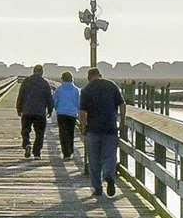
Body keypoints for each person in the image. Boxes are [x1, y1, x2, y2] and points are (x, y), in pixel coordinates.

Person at [81, 65, 126, 195]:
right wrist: (122, 122)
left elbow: (82, 112)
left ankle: (98, 188)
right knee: (110, 155)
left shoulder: (86, 89)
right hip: (110, 128)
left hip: (93, 130)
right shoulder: (112, 86)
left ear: (89, 78)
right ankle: (109, 176)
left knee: (94, 159)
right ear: (100, 75)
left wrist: (83, 128)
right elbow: (122, 105)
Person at [15, 65, 53, 156]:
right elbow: (49, 98)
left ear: (33, 71)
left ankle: (27, 144)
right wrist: (50, 110)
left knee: (25, 130)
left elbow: (20, 95)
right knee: (39, 133)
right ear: (42, 72)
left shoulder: (26, 81)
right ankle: (36, 153)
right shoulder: (45, 83)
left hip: (27, 111)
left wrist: (18, 108)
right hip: (40, 112)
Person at [51, 71, 82, 161]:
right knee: (70, 133)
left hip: (61, 114)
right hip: (72, 114)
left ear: (62, 79)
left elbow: (55, 101)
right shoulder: (76, 90)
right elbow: (79, 103)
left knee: (62, 133)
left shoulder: (59, 89)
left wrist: (56, 108)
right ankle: (70, 151)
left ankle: (65, 153)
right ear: (72, 79)